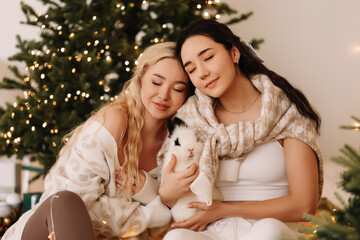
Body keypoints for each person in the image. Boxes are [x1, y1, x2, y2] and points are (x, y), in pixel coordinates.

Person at [3, 42, 193, 240]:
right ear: (141, 79)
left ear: (187, 94)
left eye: (178, 89)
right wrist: (157, 206)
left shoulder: (179, 144)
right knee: (65, 200)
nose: (163, 95)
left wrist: (155, 195)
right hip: (48, 232)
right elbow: (73, 205)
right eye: (156, 82)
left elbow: (170, 225)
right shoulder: (115, 120)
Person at [158, 19, 323, 240]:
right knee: (175, 238)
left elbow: (304, 205)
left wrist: (226, 208)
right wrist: (168, 192)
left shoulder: (285, 113)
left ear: (234, 53)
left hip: (271, 230)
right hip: (215, 231)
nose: (203, 72)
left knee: (268, 231)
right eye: (192, 69)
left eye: (208, 58)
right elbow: (174, 194)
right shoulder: (192, 119)